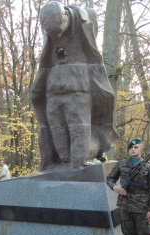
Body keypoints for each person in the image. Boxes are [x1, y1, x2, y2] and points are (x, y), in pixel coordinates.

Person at [31, 1, 119, 171]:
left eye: (58, 32)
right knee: (58, 139)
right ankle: (63, 164)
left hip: (79, 92)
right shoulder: (48, 28)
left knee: (79, 137)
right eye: (52, 34)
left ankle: (81, 164)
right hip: (52, 93)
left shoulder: (87, 18)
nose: (56, 37)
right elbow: (45, 61)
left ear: (65, 16)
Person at [106, 138, 150, 235]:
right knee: (129, 234)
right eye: (131, 147)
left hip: (142, 207)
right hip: (125, 205)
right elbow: (110, 178)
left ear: (141, 149)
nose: (133, 149)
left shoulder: (148, 166)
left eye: (136, 147)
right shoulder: (121, 164)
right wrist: (115, 187)